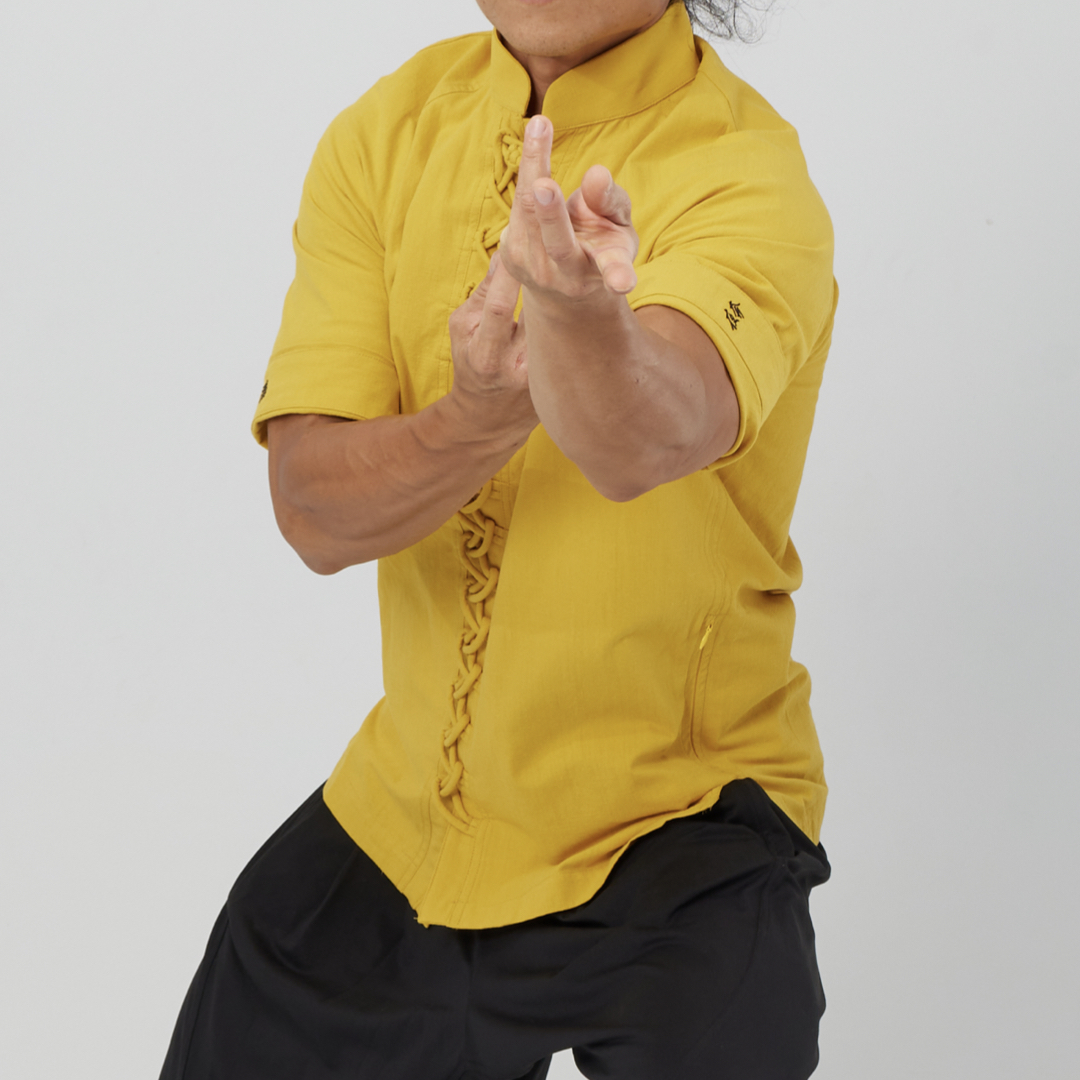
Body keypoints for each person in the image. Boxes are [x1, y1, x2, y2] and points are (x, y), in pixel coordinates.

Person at [159, 1, 838, 1077]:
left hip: (681, 826)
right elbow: (314, 512)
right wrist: (475, 418)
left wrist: (580, 324)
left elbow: (647, 438)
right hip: (405, 816)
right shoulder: (386, 131)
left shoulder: (746, 171)